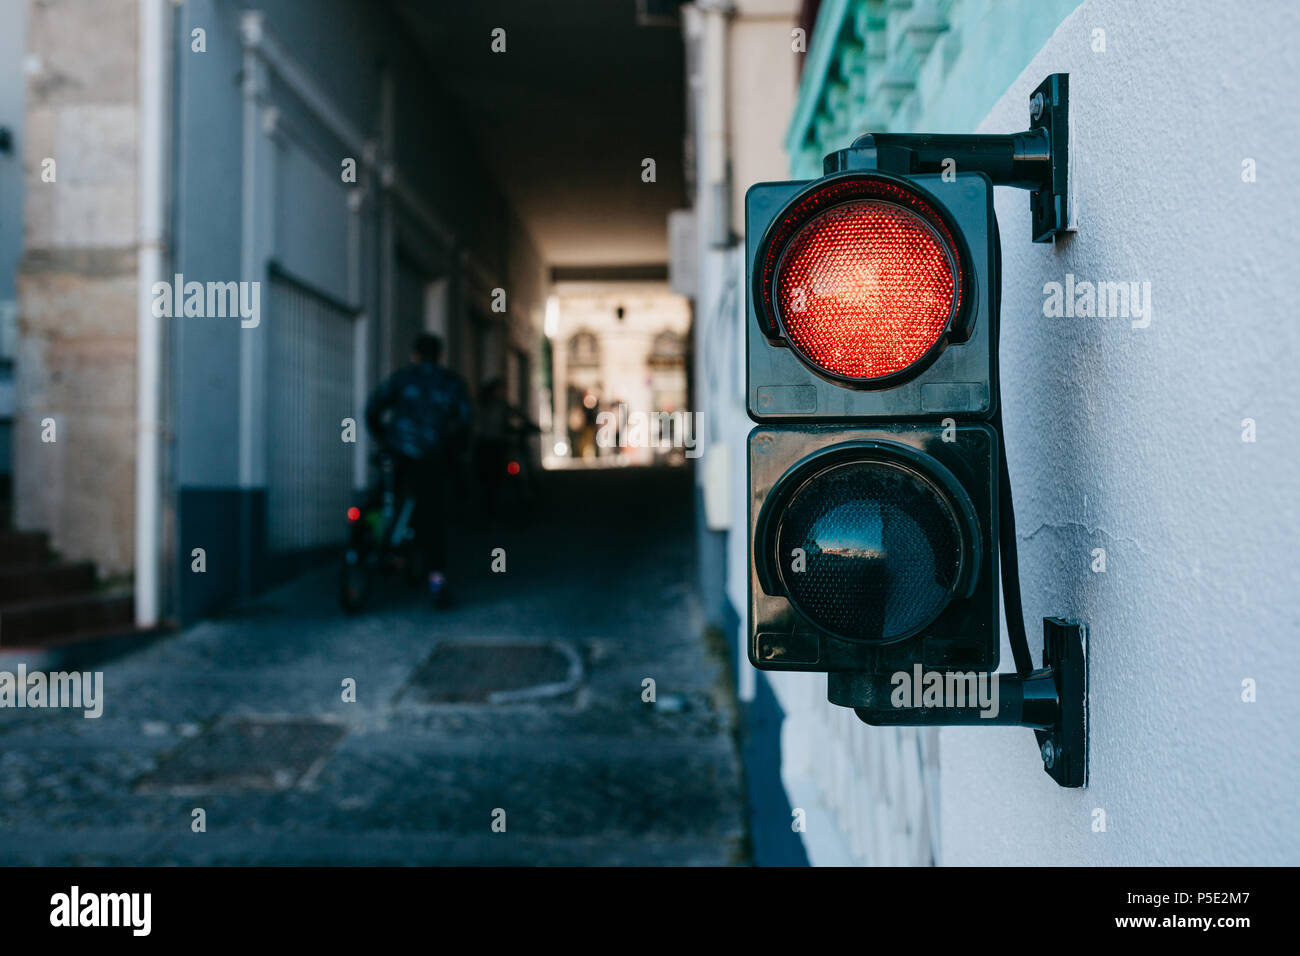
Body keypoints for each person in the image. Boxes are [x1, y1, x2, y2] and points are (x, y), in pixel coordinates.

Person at [364, 333, 471, 606]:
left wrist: (384, 437)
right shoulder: (451, 383)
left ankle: (371, 545)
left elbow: (372, 408)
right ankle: (436, 583)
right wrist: (454, 453)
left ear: (414, 355)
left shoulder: (402, 378)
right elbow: (465, 422)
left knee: (381, 497)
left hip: (399, 454)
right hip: (432, 459)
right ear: (441, 356)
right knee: (432, 520)